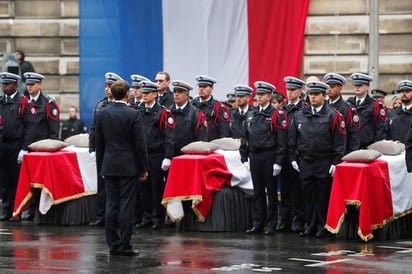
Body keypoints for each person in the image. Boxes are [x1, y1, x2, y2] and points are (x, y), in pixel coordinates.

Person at [95, 80, 148, 256]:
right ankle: (124, 244)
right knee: (126, 205)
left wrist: (100, 167)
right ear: (127, 95)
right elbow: (140, 144)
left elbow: (99, 143)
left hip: (109, 165)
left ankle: (113, 244)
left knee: (111, 204)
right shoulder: (134, 115)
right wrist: (143, 167)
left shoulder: (101, 113)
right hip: (128, 166)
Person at [289, 81, 346, 238]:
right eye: (310, 94)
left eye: (316, 95)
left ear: (324, 96)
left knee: (322, 195)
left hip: (324, 160)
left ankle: (322, 225)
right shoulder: (300, 114)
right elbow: (293, 139)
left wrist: (336, 162)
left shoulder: (333, 115)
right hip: (305, 161)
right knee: (307, 194)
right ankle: (310, 224)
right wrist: (293, 158)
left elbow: (339, 142)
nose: (312, 97)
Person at [240, 81, 287, 236]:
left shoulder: (276, 114)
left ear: (269, 96)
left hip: (269, 155)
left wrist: (278, 161)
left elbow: (281, 140)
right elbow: (245, 137)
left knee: (271, 192)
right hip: (254, 155)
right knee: (258, 191)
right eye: (257, 94)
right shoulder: (251, 114)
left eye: (262, 94)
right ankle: (257, 223)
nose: (258, 97)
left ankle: (271, 224)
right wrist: (244, 157)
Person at [136, 80, 175, 231]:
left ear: (154, 94)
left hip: (156, 154)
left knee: (156, 188)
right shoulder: (138, 111)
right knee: (143, 188)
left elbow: (169, 136)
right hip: (142, 155)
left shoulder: (163, 112)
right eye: (143, 93)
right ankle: (145, 217)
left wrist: (168, 156)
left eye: (147, 93)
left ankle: (157, 218)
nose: (144, 96)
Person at [20, 72, 60, 220]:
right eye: (28, 84)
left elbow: (54, 128)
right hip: (28, 148)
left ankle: (40, 209)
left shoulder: (49, 103)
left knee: (42, 180)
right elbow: (22, 127)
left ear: (40, 85)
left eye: (32, 84)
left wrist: (52, 147)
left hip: (43, 148)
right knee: (27, 180)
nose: (29, 87)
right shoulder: (23, 102)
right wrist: (23, 148)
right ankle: (29, 208)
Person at [89, 72, 122, 227]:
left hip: (115, 151)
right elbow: (94, 129)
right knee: (101, 186)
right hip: (102, 151)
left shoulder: (123, 105)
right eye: (105, 86)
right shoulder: (100, 104)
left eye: (110, 86)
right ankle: (101, 215)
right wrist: (92, 149)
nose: (107, 89)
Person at [0, 72, 32, 221]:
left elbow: (29, 127)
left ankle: (16, 211)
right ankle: (6, 210)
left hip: (16, 145)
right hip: (3, 144)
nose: (4, 87)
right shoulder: (1, 102)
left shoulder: (22, 102)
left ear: (15, 85)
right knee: (4, 179)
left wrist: (24, 148)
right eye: (3, 84)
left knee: (16, 179)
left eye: (7, 84)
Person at [277, 76, 306, 233]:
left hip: (297, 154)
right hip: (284, 153)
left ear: (300, 91)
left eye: (293, 90)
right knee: (285, 190)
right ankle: (284, 220)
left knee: (298, 190)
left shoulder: (304, 109)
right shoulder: (281, 110)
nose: (289, 93)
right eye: (288, 90)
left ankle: (298, 220)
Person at [324, 72, 361, 153]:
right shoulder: (323, 106)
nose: (329, 89)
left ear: (340, 88)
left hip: (342, 152)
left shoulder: (348, 109)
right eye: (327, 87)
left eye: (332, 87)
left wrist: (351, 154)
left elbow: (354, 135)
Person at [347, 73, 386, 148]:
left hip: (367, 147)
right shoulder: (349, 103)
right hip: (351, 146)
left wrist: (375, 148)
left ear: (367, 87)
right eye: (355, 85)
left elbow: (380, 129)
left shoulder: (375, 105)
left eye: (360, 85)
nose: (357, 88)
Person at [169, 80, 208, 156]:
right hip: (170, 155)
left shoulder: (196, 114)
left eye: (180, 92)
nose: (176, 94)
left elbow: (201, 138)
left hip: (188, 155)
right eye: (174, 92)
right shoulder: (168, 112)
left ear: (187, 95)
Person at [192, 75, 230, 141]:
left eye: (204, 87)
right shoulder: (192, 104)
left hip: (211, 145)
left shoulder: (218, 107)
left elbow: (223, 132)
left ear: (212, 88)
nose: (201, 89)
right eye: (200, 86)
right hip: (193, 144)